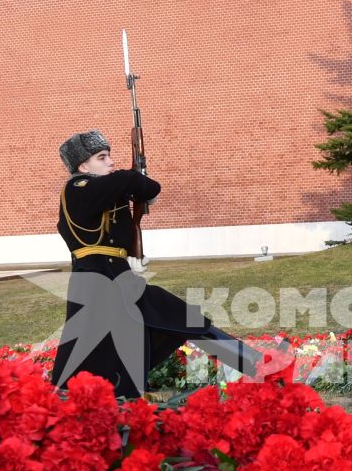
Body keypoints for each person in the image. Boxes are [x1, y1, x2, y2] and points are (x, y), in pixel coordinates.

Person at [48, 131, 272, 395]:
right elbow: (130, 179)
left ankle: (257, 365)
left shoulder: (103, 194)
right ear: (83, 166)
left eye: (109, 155)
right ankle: (259, 366)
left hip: (117, 280)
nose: (110, 162)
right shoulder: (77, 189)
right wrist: (139, 181)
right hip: (99, 283)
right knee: (115, 346)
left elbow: (136, 197)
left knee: (175, 322)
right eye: (102, 157)